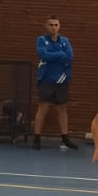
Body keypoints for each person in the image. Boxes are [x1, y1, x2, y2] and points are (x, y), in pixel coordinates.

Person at [33, 16, 77, 152]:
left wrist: (53, 55)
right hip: (46, 79)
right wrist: (59, 54)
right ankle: (37, 138)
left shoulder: (65, 41)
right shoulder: (41, 40)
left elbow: (69, 56)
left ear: (59, 26)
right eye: (51, 25)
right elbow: (44, 55)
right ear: (46, 26)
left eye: (56, 25)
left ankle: (65, 138)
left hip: (62, 80)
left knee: (62, 109)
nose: (53, 27)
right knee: (43, 108)